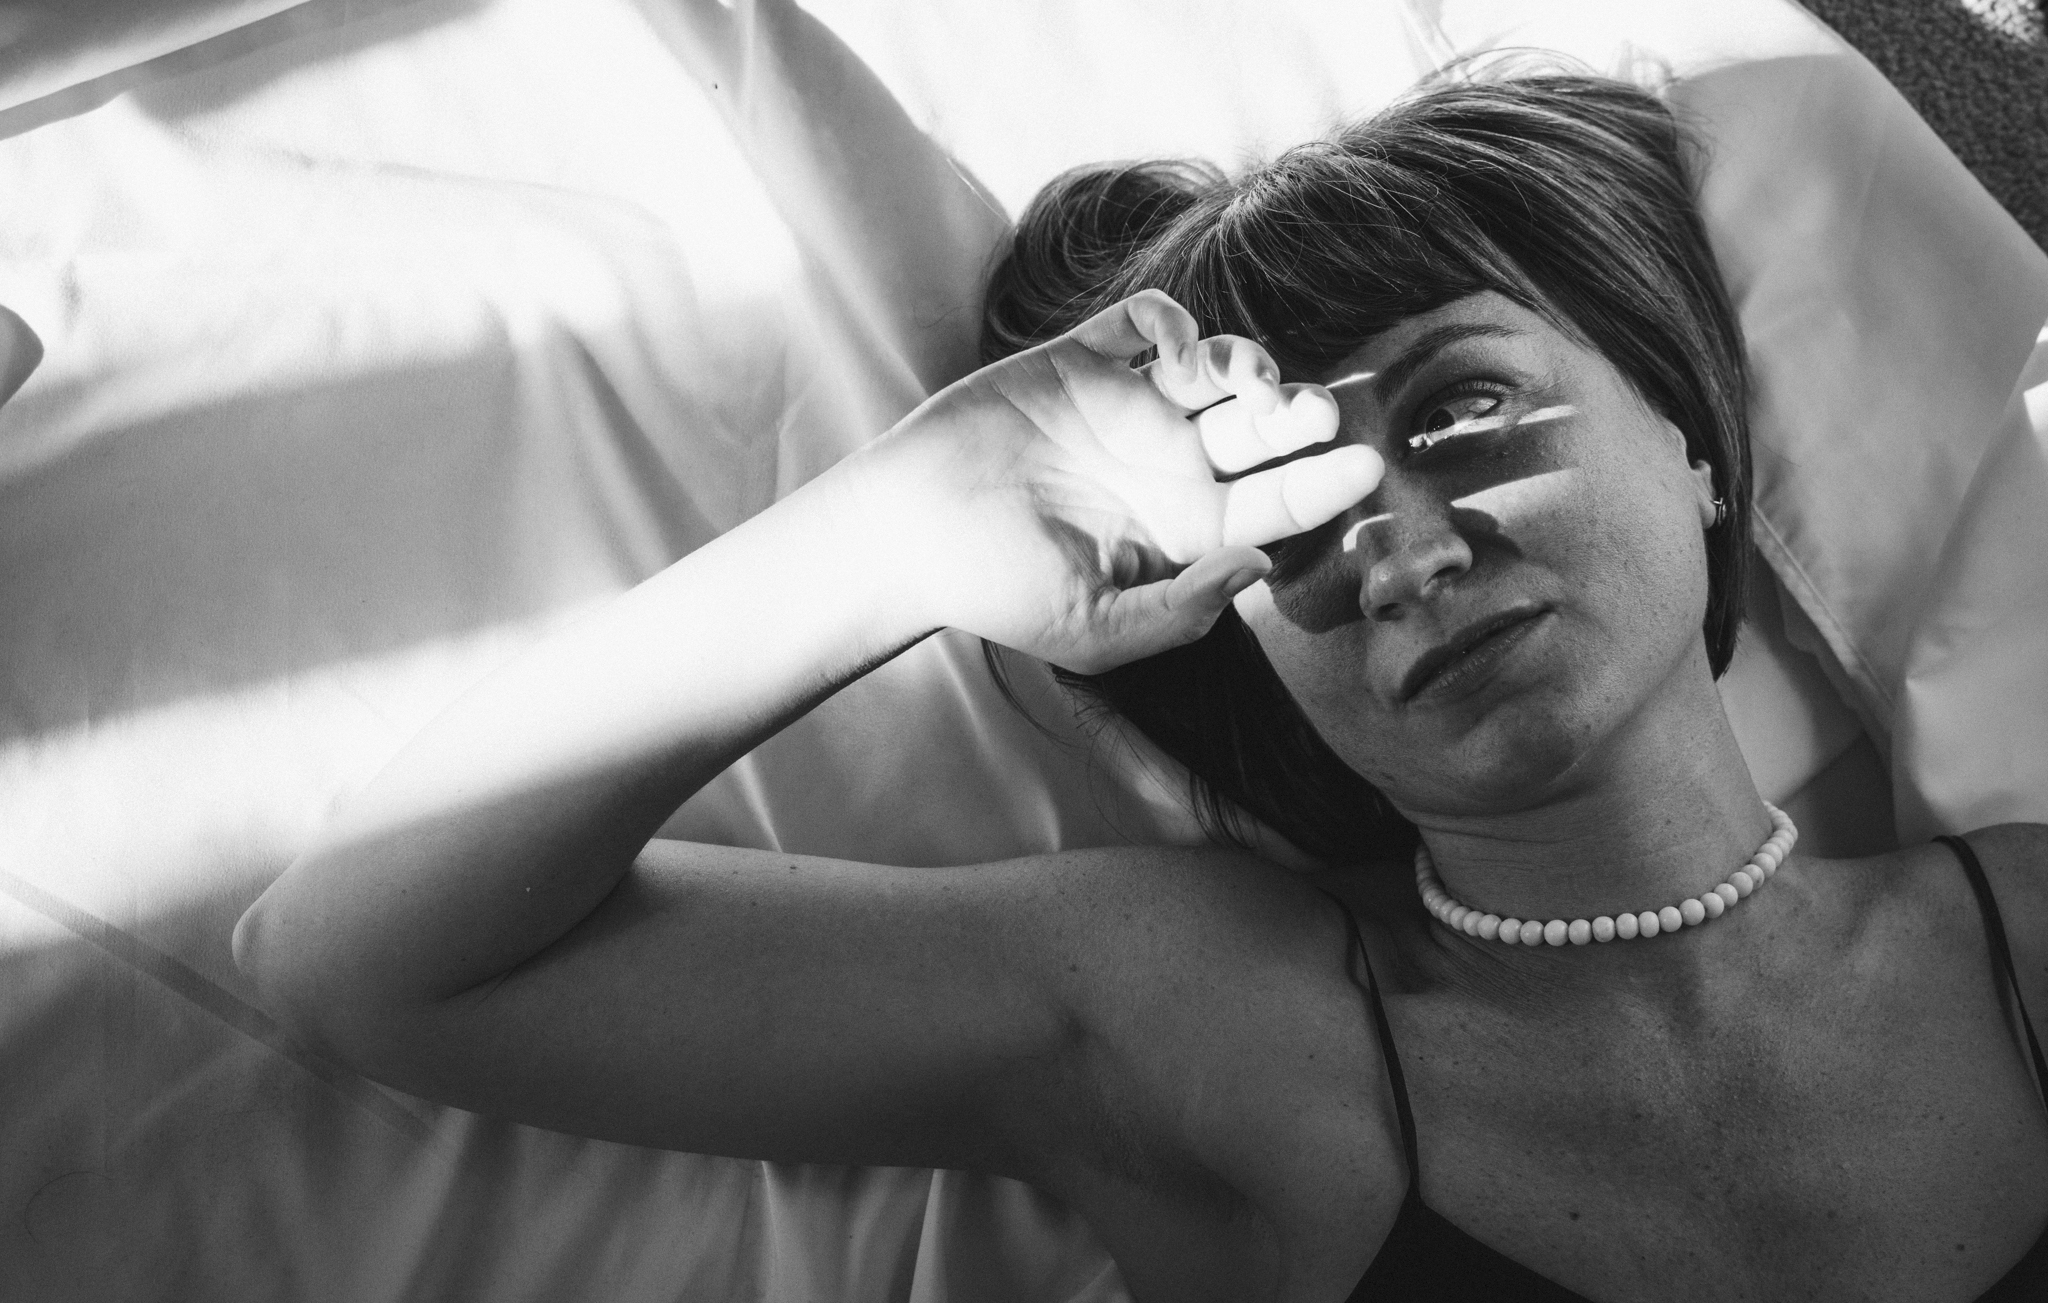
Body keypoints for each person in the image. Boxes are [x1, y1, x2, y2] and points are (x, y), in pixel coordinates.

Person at [233, 63, 2048, 1301]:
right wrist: (902, 534)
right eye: (1288, 512)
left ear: (1691, 442)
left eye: (1465, 405)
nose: (1403, 548)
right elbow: (359, 959)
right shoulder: (1218, 1030)